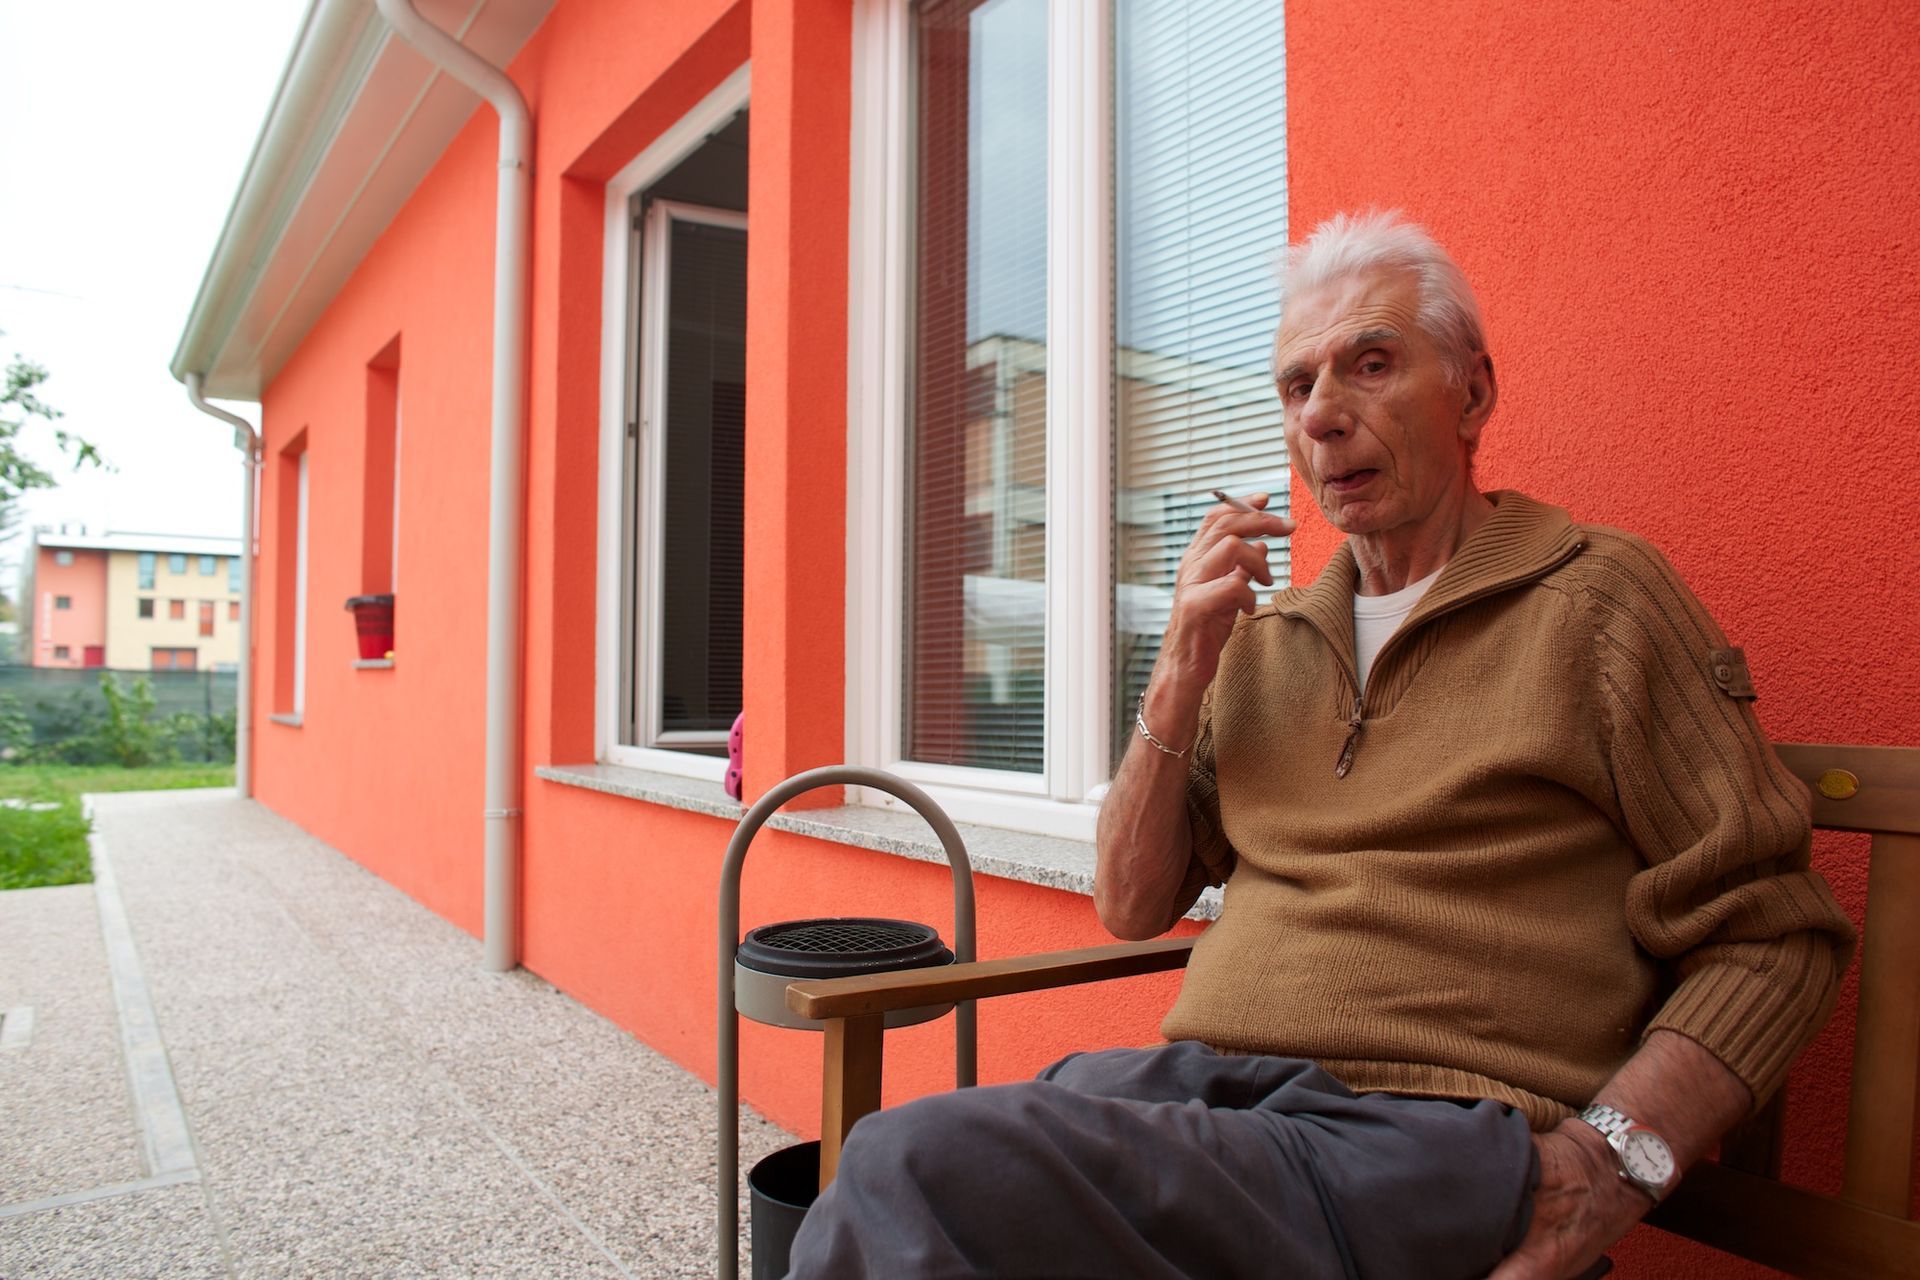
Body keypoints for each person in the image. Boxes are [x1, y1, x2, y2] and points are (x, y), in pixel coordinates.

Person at [785, 211, 1856, 1280]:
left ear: (1473, 394)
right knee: (913, 1191)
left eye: (1371, 365)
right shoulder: (1271, 641)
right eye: (1298, 386)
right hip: (1216, 1111)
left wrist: (1602, 1168)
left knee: (907, 1168)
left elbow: (1774, 935)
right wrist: (1181, 664)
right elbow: (1129, 898)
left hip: (1417, 1138)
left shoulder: (1598, 602)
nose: (1325, 417)